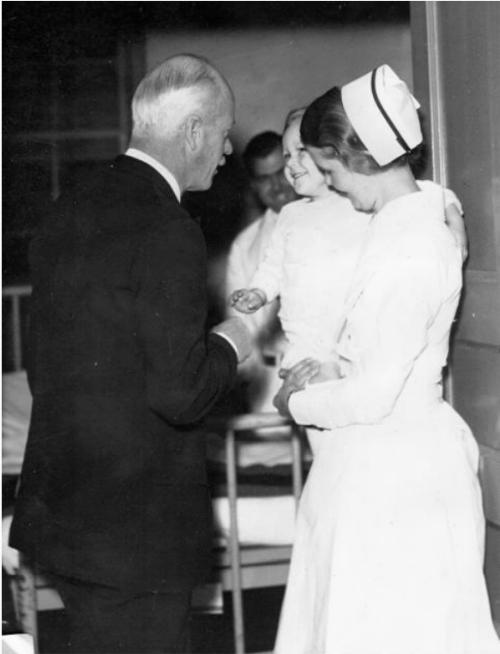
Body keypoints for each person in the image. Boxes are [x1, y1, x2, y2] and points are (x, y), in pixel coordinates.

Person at [9, 54, 253, 654]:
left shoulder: (72, 204)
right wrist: (234, 340)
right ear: (193, 132)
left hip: (66, 515)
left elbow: (48, 366)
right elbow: (180, 391)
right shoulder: (170, 228)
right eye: (223, 136)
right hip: (137, 533)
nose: (226, 153)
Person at [272, 65, 500, 653]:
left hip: (395, 472)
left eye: (330, 171)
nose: (335, 187)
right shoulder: (406, 219)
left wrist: (296, 400)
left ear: (360, 157)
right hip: (377, 459)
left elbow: (374, 395)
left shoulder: (411, 244)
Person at [230, 108, 467, 451]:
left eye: (302, 153)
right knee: (328, 445)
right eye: (286, 155)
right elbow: (272, 266)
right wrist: (259, 291)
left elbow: (425, 192)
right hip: (305, 347)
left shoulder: (358, 202)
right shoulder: (291, 216)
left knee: (353, 434)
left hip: (349, 346)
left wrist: (451, 209)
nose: (291, 164)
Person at [225, 131, 297, 412]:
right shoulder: (245, 246)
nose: (277, 186)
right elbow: (241, 324)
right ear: (253, 185)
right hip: (269, 387)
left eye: (281, 173)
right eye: (265, 179)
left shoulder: (327, 221)